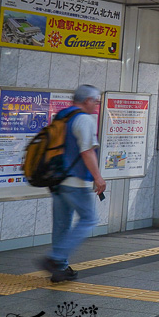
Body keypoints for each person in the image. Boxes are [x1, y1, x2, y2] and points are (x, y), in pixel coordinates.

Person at [39, 85, 106, 283]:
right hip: (76, 181)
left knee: (61, 224)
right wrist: (98, 177)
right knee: (89, 219)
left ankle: (59, 269)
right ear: (87, 101)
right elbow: (87, 151)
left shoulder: (62, 116)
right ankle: (56, 258)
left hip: (57, 180)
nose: (96, 105)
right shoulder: (84, 119)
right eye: (96, 101)